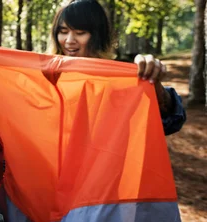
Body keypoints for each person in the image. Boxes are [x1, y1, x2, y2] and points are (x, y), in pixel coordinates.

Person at [50, 0, 185, 135]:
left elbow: (171, 122)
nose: (69, 40)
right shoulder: (47, 75)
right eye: (63, 32)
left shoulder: (119, 80)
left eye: (80, 32)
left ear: (98, 36)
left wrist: (154, 86)